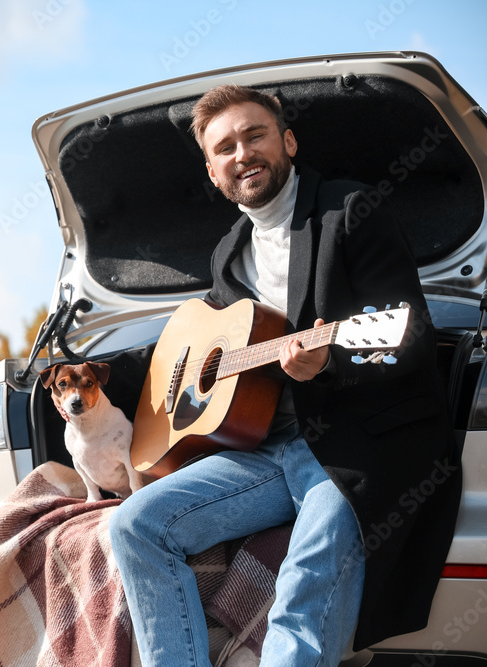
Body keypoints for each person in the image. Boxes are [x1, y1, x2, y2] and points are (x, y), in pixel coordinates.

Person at [109, 85, 463, 666]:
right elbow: (193, 346)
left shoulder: (349, 210)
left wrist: (332, 360)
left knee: (301, 587)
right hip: (263, 449)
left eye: (255, 135)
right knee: (137, 526)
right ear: (213, 170)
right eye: (225, 147)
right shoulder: (229, 253)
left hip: (359, 444)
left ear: (288, 141)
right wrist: (95, 375)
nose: (242, 153)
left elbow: (412, 333)